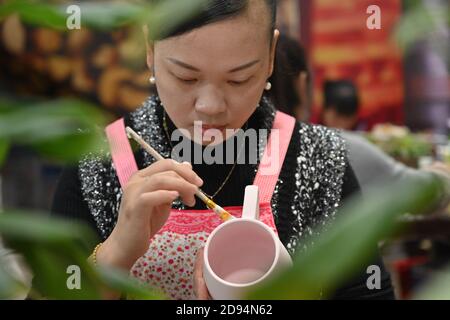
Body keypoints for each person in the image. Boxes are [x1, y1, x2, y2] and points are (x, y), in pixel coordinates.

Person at [51, 0, 393, 300]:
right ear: (150, 48)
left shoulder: (320, 159)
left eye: (238, 79)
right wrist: (113, 256)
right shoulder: (99, 161)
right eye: (186, 78)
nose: (210, 106)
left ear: (271, 57)